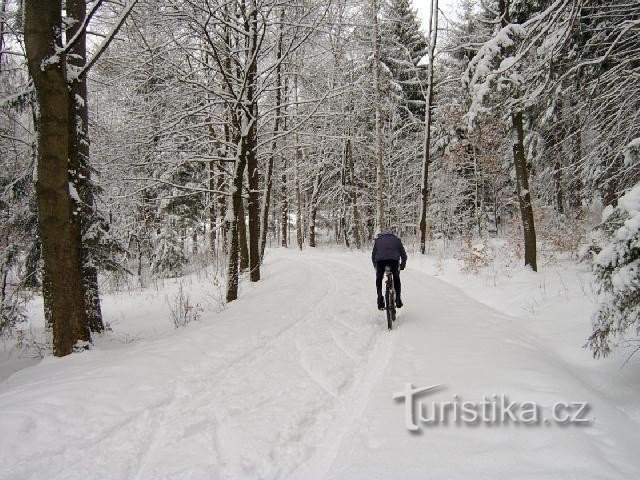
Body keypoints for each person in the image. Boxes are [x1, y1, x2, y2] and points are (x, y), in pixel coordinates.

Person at [371, 228, 407, 310]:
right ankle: (398, 298)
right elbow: (404, 255)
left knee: (379, 279)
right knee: (396, 278)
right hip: (394, 262)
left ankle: (380, 298)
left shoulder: (378, 240)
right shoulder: (397, 240)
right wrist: (402, 265)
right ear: (391, 234)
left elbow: (373, 256)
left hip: (380, 263)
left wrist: (375, 267)